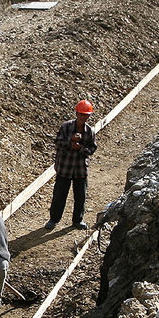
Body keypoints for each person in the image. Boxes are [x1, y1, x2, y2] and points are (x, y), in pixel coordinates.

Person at [46, 99, 97, 231]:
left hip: (80, 170)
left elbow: (92, 148)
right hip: (65, 168)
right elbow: (58, 142)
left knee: (80, 196)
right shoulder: (66, 127)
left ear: (89, 116)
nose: (82, 117)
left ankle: (78, 220)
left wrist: (80, 148)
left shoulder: (89, 131)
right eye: (80, 114)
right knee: (59, 196)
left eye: (85, 115)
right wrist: (70, 142)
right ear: (76, 113)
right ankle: (53, 219)